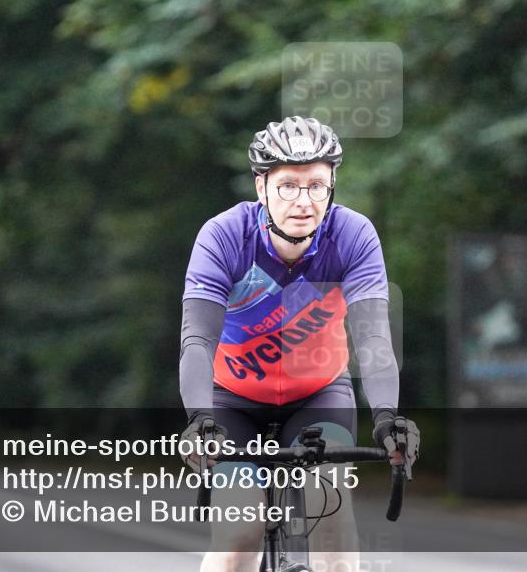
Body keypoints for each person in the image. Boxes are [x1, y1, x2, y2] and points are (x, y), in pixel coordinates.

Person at [179, 116, 420, 572]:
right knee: (240, 532)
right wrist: (199, 420)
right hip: (232, 400)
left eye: (317, 186)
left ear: (332, 188)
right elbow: (197, 339)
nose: (303, 201)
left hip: (318, 393)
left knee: (329, 503)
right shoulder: (224, 237)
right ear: (261, 187)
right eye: (288, 185)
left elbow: (372, 338)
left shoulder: (352, 235)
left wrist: (387, 417)